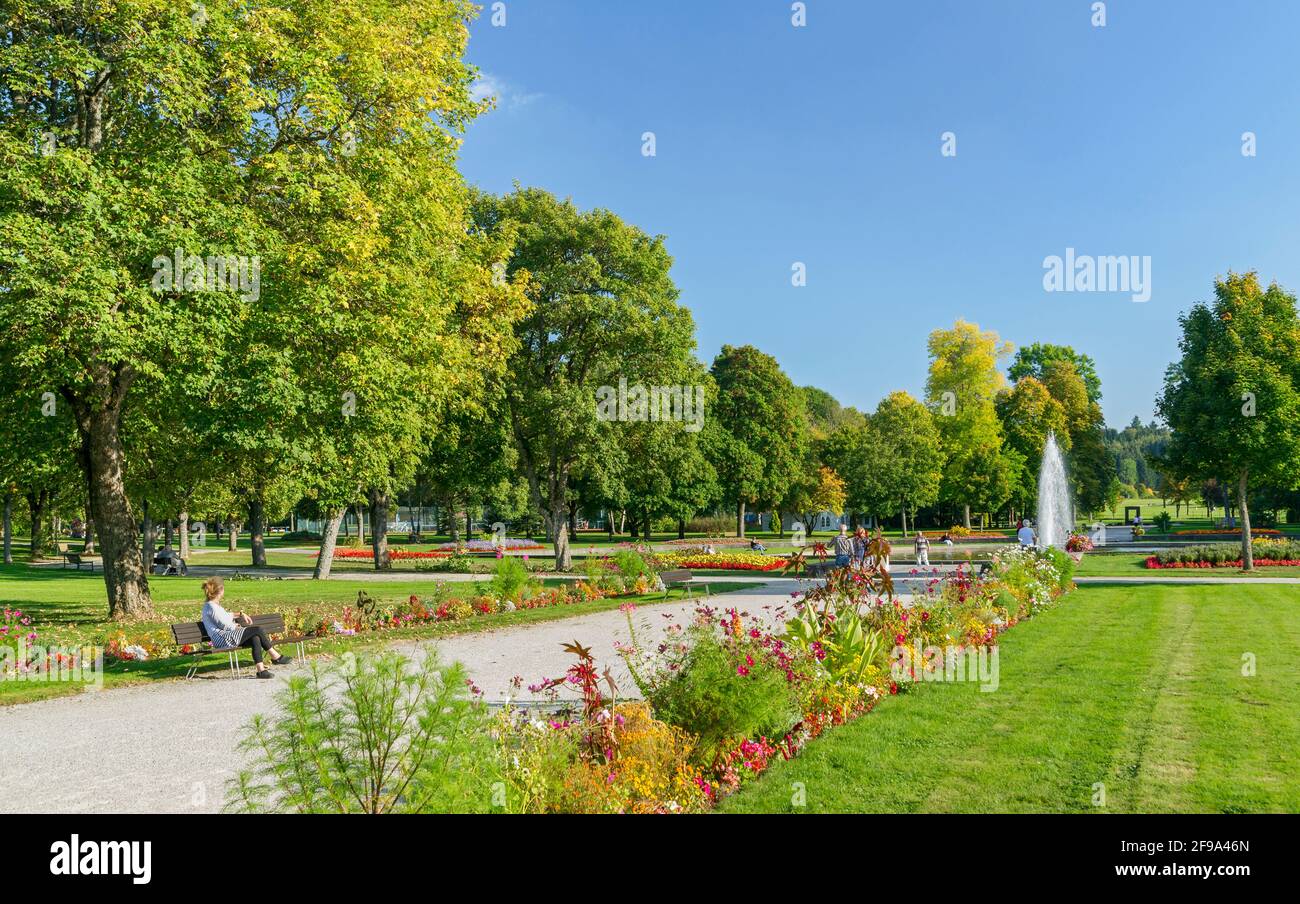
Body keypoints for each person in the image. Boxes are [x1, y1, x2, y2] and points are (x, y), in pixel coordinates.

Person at [200, 576, 290, 679]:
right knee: (258, 630)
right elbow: (224, 624)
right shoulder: (211, 607)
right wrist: (235, 627)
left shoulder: (213, 605)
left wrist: (240, 614)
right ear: (220, 590)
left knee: (255, 638)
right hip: (222, 639)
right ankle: (275, 656)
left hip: (225, 636)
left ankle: (261, 671)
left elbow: (225, 616)